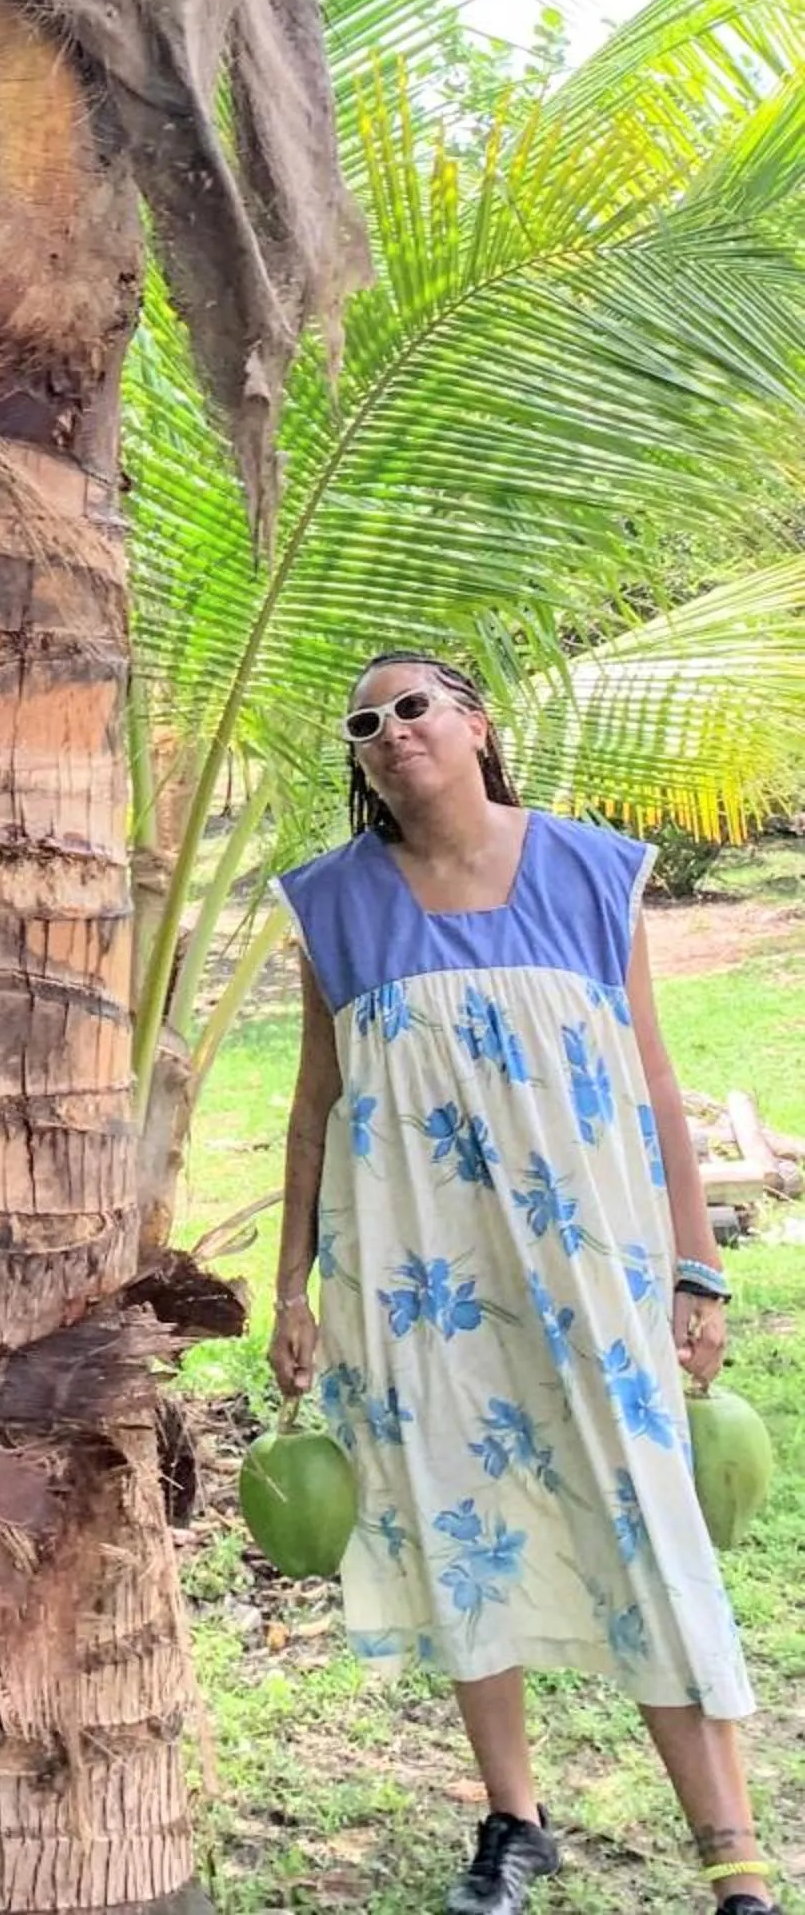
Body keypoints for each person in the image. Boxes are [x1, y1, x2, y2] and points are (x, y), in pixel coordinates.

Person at [270, 652, 778, 1915]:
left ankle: (736, 1860)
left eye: (415, 707)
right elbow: (312, 1110)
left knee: (645, 1522)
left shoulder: (597, 872)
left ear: (477, 724)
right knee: (460, 1529)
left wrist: (694, 1265)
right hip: (417, 1286)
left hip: (591, 1273)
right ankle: (514, 1821)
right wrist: (291, 1288)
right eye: (365, 723)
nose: (391, 733)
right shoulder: (332, 907)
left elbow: (656, 1083)